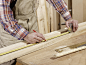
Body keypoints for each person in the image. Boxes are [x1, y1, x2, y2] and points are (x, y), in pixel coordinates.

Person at [0, 0, 78, 65]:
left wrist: (68, 18)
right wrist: (26, 35)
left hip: (30, 23)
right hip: (10, 30)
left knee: (35, 57)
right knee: (9, 59)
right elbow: (6, 19)